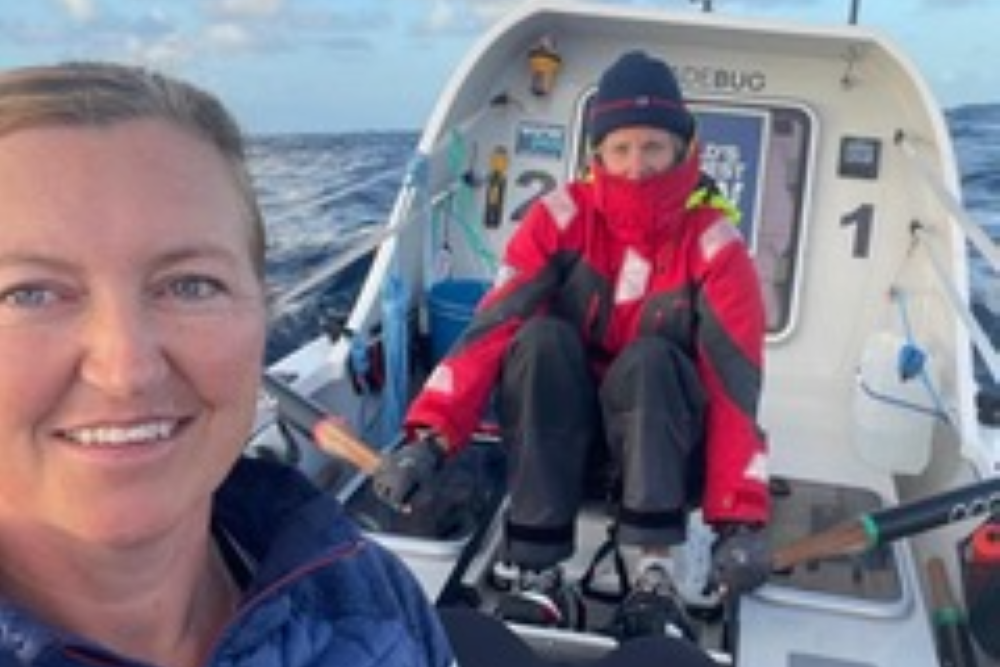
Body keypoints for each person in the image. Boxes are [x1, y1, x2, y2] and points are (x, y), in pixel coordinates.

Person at [0, 62, 453, 667]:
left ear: (260, 311)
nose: (126, 369)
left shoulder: (365, 588)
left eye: (190, 285)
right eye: (27, 294)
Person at [373, 50, 771, 640]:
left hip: (668, 457)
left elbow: (735, 390)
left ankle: (653, 578)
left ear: (685, 149)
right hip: (565, 452)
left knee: (651, 361)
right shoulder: (557, 221)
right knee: (538, 341)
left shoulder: (716, 247)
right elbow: (491, 330)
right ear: (597, 154)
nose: (636, 166)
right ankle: (538, 570)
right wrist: (428, 437)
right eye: (621, 148)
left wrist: (740, 520)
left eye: (653, 146)